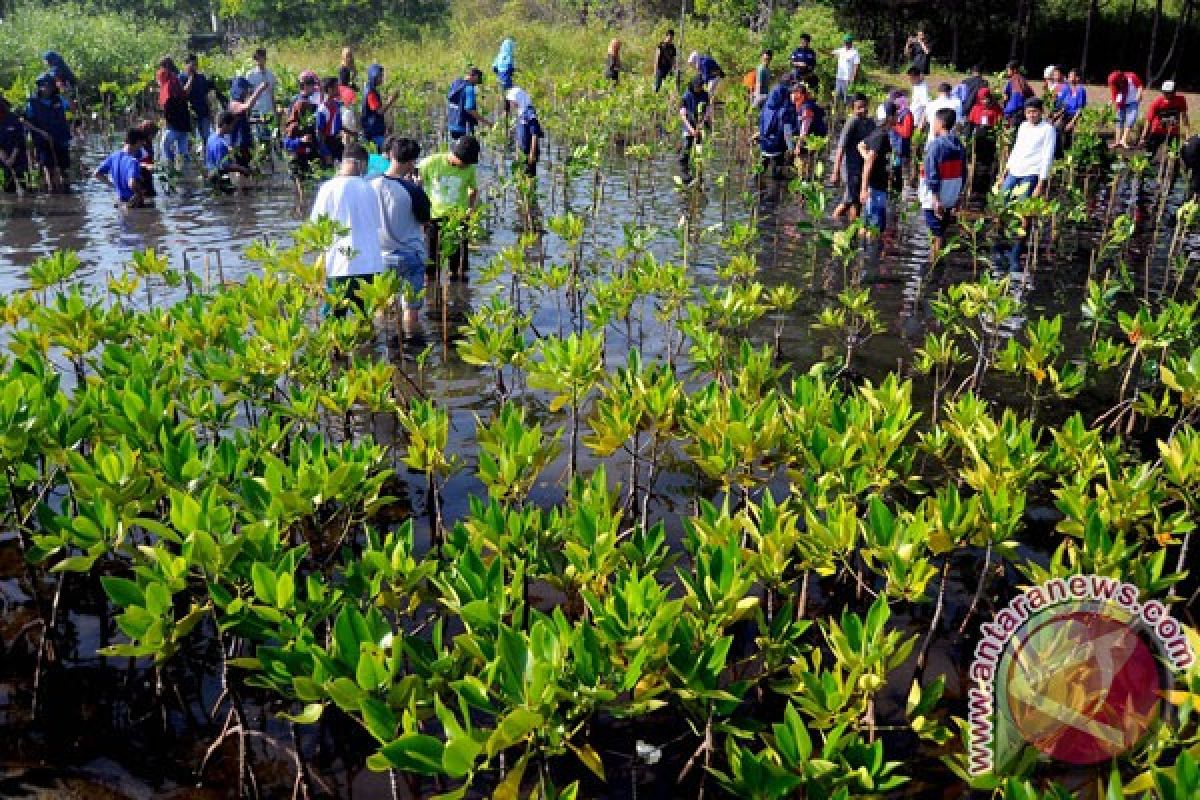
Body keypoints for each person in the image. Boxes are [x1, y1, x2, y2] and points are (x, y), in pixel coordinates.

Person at [310, 141, 385, 308]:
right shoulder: (369, 189)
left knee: (334, 322)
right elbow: (376, 225)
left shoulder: (327, 189)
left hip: (338, 266)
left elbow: (316, 229)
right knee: (365, 320)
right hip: (369, 265)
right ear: (362, 164)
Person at [372, 136, 431, 328]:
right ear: (411, 162)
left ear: (390, 155)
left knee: (382, 305)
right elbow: (425, 219)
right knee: (411, 309)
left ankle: (384, 339)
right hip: (410, 255)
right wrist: (420, 188)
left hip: (381, 256)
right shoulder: (412, 190)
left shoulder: (371, 185)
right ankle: (409, 343)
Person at [995, 97, 1056, 272]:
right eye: (1028, 112)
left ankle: (1016, 253)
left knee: (1023, 214)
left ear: (1041, 112)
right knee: (1001, 207)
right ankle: (999, 248)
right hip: (1014, 171)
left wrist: (1040, 184)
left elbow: (1047, 158)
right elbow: (1016, 150)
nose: (1031, 115)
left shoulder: (1048, 130)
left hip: (1030, 174)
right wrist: (1004, 173)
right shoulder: (1022, 126)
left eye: (1034, 112)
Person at [418, 135, 479, 279]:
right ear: (455, 155)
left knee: (459, 266)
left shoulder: (469, 169)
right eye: (464, 162)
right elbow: (416, 184)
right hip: (433, 219)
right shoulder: (430, 163)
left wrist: (470, 208)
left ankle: (458, 295)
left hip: (458, 220)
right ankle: (431, 295)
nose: (466, 165)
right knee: (430, 263)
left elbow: (473, 189)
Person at [919, 107, 966, 263]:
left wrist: (935, 197)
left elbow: (931, 173)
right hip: (950, 195)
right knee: (941, 232)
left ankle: (934, 266)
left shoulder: (936, 145)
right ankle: (937, 265)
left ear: (940, 123)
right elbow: (963, 172)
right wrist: (959, 195)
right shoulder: (958, 144)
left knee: (936, 235)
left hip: (934, 199)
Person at [831, 93, 875, 221]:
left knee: (857, 202)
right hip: (850, 168)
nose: (863, 110)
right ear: (853, 109)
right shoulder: (852, 122)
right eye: (859, 107)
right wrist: (835, 172)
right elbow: (841, 147)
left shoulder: (869, 122)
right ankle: (833, 221)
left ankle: (851, 228)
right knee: (848, 200)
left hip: (862, 167)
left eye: (865, 106)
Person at [25, 74, 72, 193]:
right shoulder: (32, 103)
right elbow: (26, 122)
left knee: (63, 168)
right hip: (43, 140)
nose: (46, 88)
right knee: (48, 167)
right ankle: (52, 192)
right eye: (43, 86)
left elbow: (71, 108)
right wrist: (41, 132)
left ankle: (65, 191)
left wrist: (68, 94)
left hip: (61, 138)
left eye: (49, 85)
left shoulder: (59, 100)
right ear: (39, 87)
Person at [859, 100, 895, 236]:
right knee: (875, 229)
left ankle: (864, 252)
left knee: (867, 225)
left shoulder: (877, 132)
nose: (897, 117)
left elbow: (860, 145)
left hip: (875, 188)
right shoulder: (881, 136)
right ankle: (870, 255)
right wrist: (863, 189)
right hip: (875, 190)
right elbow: (868, 163)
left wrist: (867, 157)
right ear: (889, 118)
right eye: (895, 114)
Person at [94, 128, 148, 207]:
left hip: (120, 202)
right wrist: (139, 194)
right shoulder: (133, 161)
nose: (141, 147)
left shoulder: (113, 156)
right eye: (141, 144)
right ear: (138, 142)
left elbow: (97, 173)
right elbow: (132, 183)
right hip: (132, 203)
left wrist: (113, 185)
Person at [756, 81, 798, 179]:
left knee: (762, 166)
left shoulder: (766, 108)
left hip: (764, 144)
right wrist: (791, 148)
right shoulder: (785, 110)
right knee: (778, 167)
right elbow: (787, 131)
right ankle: (777, 182)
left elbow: (761, 126)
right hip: (777, 145)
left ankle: (755, 182)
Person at [0, 93, 39, 193]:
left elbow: (20, 140)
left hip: (19, 158)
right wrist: (5, 159)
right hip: (3, 159)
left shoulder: (13, 119)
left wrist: (12, 158)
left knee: (27, 188)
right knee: (8, 190)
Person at [157, 57, 193, 166]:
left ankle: (171, 164)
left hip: (176, 122)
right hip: (181, 121)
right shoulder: (171, 79)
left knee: (165, 144)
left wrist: (191, 77)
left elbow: (183, 94)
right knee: (183, 151)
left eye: (162, 67)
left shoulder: (172, 80)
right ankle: (184, 173)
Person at [205, 112, 255, 189]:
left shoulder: (211, 137)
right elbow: (224, 166)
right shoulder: (220, 144)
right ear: (225, 125)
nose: (233, 128)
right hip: (219, 177)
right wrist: (242, 169)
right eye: (232, 125)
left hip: (211, 174)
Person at [1140, 81, 1190, 158]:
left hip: (1173, 131)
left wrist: (1187, 134)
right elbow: (1149, 120)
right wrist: (1143, 137)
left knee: (1173, 155)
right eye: (1164, 92)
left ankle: (1172, 168)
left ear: (1174, 92)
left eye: (1168, 92)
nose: (1166, 94)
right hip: (1157, 131)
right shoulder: (1157, 102)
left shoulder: (1180, 100)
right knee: (1149, 153)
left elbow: (1184, 117)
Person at [679, 74, 712, 182]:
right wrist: (692, 130)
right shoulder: (686, 96)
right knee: (686, 148)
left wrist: (702, 123)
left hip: (700, 125)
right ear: (693, 85)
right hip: (688, 126)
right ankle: (684, 173)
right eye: (697, 86)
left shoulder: (705, 95)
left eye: (700, 86)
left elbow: (707, 111)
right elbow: (683, 116)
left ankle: (698, 175)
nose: (699, 88)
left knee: (699, 150)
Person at [227, 77, 267, 166]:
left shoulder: (239, 103)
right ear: (240, 90)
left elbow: (243, 120)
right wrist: (260, 89)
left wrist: (257, 121)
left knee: (245, 168)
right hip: (239, 144)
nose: (247, 92)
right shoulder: (234, 104)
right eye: (245, 90)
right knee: (242, 168)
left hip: (243, 142)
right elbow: (248, 106)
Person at [362, 64, 400, 151]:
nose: (382, 78)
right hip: (373, 132)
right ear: (374, 76)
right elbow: (379, 111)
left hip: (375, 130)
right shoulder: (370, 92)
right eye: (380, 76)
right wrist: (391, 100)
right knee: (388, 150)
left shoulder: (370, 89)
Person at [507, 87, 543, 177]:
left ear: (519, 99)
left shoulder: (529, 112)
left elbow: (535, 134)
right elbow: (519, 135)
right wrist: (517, 152)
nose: (511, 103)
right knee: (521, 179)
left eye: (512, 101)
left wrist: (532, 154)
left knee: (529, 179)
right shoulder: (521, 112)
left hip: (528, 153)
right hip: (522, 153)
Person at [245, 48, 279, 143]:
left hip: (269, 110)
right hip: (257, 111)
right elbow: (248, 95)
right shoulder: (250, 75)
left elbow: (272, 94)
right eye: (257, 58)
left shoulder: (270, 75)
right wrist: (248, 113)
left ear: (265, 58)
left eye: (261, 57)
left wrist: (275, 112)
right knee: (259, 138)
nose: (259, 60)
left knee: (271, 138)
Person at [182, 55, 215, 147]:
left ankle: (207, 158)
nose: (195, 67)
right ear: (186, 65)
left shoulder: (201, 77)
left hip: (203, 113)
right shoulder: (181, 77)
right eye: (192, 64)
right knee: (190, 141)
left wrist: (210, 111)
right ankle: (191, 159)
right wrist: (191, 78)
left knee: (206, 138)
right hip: (189, 114)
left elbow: (206, 95)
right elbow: (184, 93)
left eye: (196, 64)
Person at [1107, 69, 1143, 149]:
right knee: (1119, 121)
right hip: (1121, 102)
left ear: (1121, 78)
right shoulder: (1114, 83)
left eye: (1118, 81)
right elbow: (1114, 94)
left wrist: (1139, 94)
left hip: (1133, 101)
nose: (1117, 84)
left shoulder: (1131, 76)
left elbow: (1139, 85)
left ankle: (1123, 140)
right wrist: (1110, 103)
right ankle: (1117, 142)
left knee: (1131, 119)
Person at [446, 67, 484, 142]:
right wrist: (485, 122)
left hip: (451, 125)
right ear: (475, 76)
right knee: (465, 150)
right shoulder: (469, 89)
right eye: (477, 80)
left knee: (455, 150)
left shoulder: (455, 83)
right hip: (463, 127)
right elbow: (469, 109)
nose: (476, 84)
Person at [887, 91, 915, 188]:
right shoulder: (895, 113)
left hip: (902, 151)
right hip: (894, 149)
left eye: (893, 102)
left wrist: (894, 125)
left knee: (903, 175)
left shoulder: (907, 114)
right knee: (894, 172)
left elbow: (906, 133)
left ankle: (903, 196)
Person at [1055, 68, 1087, 149]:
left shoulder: (1081, 90)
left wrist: (1072, 122)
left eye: (1071, 76)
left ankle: (1067, 152)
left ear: (1078, 78)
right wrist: (1056, 116)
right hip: (1065, 114)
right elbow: (1063, 105)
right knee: (1057, 130)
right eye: (1069, 76)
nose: (1069, 78)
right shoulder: (1066, 88)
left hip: (1075, 115)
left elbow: (1080, 109)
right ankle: (1059, 154)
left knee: (1068, 134)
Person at [315, 77, 345, 162]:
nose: (338, 89)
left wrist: (351, 132)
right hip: (327, 143)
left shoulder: (336, 105)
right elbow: (319, 132)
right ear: (329, 89)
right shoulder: (323, 109)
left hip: (337, 141)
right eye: (336, 87)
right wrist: (325, 152)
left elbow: (338, 124)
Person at [832, 35, 861, 112]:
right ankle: (835, 111)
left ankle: (846, 113)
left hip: (847, 79)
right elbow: (832, 54)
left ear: (850, 43)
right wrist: (822, 51)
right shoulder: (841, 50)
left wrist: (853, 78)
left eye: (847, 42)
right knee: (837, 95)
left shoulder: (855, 52)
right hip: (839, 78)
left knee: (847, 97)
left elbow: (856, 65)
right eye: (845, 42)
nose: (845, 43)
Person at [1003, 61, 1034, 127]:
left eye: (1008, 70)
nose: (1007, 72)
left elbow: (1006, 97)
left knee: (1012, 133)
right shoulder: (1023, 80)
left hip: (1013, 112)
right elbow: (1031, 95)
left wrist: (1005, 109)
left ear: (1014, 70)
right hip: (1023, 112)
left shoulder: (1011, 81)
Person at [493, 38, 516, 112]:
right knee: (510, 97)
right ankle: (508, 113)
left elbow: (494, 68)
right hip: (507, 79)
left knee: (501, 97)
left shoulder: (498, 56)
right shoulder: (509, 56)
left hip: (499, 79)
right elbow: (510, 68)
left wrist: (499, 73)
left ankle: (502, 112)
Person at [1182, 135, 1200, 200]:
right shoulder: (1196, 140)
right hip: (1192, 160)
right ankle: (1193, 197)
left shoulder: (1193, 137)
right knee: (1196, 180)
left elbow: (1183, 148)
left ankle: (1189, 196)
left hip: (1185, 159)